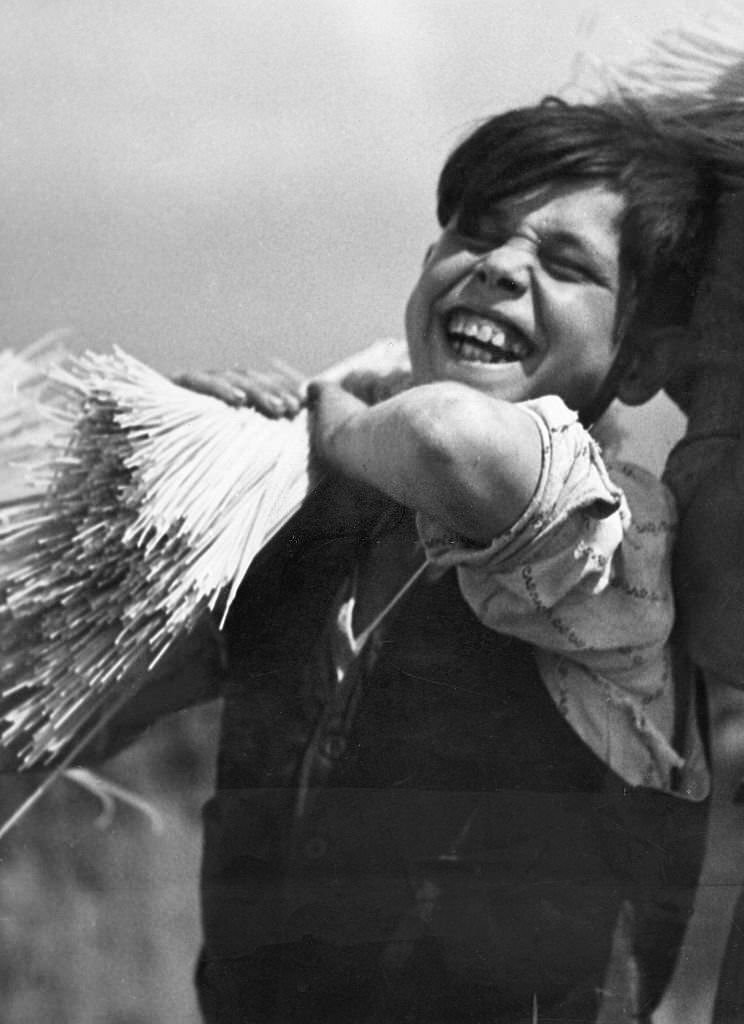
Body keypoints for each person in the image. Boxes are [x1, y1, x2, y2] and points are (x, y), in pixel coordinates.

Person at [27, 97, 744, 1022]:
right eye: (474, 233)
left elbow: (447, 439)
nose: (499, 267)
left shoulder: (615, 544)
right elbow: (70, 722)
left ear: (642, 363)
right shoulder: (309, 519)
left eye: (566, 266)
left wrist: (335, 412)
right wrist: (198, 484)